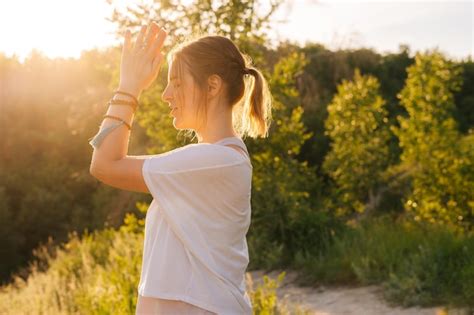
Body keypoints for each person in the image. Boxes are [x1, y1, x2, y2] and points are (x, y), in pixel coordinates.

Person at [88, 21, 273, 314]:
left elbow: (105, 165)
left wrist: (129, 86)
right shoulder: (214, 160)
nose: (165, 95)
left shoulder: (213, 161)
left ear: (212, 86)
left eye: (176, 83)